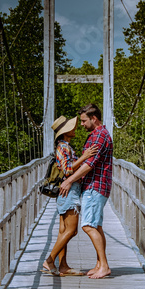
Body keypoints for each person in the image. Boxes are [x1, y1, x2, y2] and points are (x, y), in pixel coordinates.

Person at [59, 104, 113, 279]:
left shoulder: (99, 136)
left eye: (83, 120)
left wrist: (68, 180)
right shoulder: (99, 135)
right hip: (96, 186)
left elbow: (89, 164)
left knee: (88, 225)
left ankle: (104, 265)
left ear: (94, 119)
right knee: (96, 225)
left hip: (95, 186)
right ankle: (99, 264)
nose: (81, 124)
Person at [42, 115, 98, 276]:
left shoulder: (64, 146)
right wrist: (85, 156)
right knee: (72, 231)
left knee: (63, 230)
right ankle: (50, 260)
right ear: (66, 132)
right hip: (70, 191)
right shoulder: (63, 147)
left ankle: (63, 266)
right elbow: (67, 170)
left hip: (66, 191)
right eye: (72, 127)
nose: (75, 128)